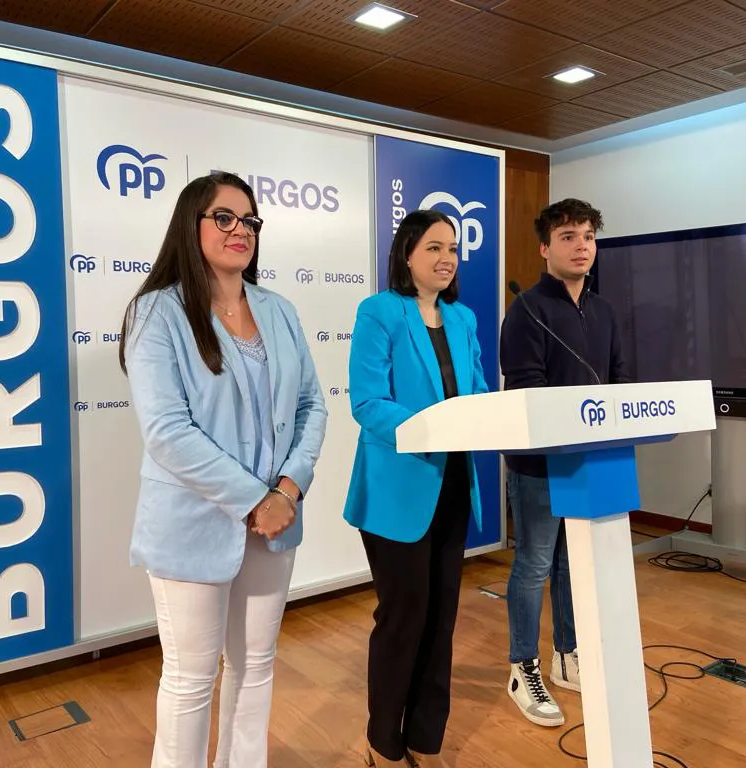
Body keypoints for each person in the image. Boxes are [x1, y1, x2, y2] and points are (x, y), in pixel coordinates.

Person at [119, 172, 327, 768]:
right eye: (225, 217)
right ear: (192, 225)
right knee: (190, 679)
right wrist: (256, 499)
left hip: (275, 523)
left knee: (255, 665)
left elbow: (312, 406)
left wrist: (288, 489)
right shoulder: (156, 312)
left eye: (250, 220)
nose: (242, 230)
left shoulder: (279, 311)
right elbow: (167, 432)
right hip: (192, 522)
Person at [344, 210, 488, 767]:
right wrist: (432, 429)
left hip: (453, 485)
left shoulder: (463, 318)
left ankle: (426, 740)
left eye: (452, 248)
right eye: (433, 247)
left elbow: (478, 392)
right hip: (396, 492)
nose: (446, 258)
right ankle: (383, 742)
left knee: (441, 618)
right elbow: (368, 402)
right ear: (407, 254)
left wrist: (488, 415)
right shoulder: (380, 311)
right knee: (403, 618)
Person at [499, 198, 630, 727]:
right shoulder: (526, 309)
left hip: (591, 461)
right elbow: (525, 390)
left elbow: (619, 380)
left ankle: (566, 655)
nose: (581, 247)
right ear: (544, 248)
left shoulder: (605, 312)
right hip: (539, 464)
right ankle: (522, 667)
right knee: (534, 564)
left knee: (572, 563)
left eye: (588, 237)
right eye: (569, 237)